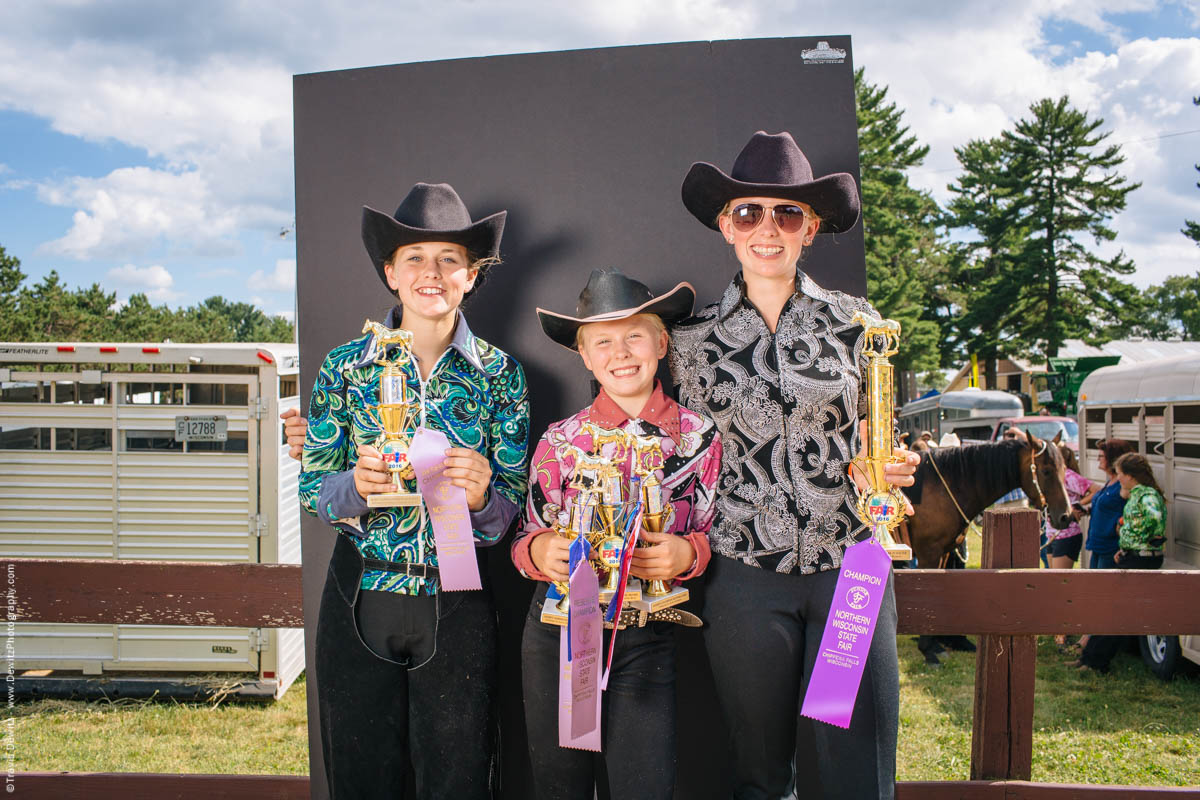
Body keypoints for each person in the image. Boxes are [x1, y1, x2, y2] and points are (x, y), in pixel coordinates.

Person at [669, 131, 918, 799]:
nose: (767, 228)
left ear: (810, 227)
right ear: (726, 225)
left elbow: (885, 435)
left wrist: (891, 465)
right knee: (760, 774)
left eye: (786, 214)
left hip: (848, 571)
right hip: (747, 579)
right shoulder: (688, 344)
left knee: (850, 767)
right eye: (749, 212)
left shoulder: (860, 326)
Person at [298, 182, 529, 799]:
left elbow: (512, 509)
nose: (433, 271)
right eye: (416, 258)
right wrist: (356, 485)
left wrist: (483, 500)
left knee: (460, 781)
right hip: (360, 595)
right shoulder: (345, 367)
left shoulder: (501, 375)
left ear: (472, 275)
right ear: (390, 272)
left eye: (450, 258)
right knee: (361, 780)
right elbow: (314, 489)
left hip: (458, 600)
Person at [513, 269, 722, 800]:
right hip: (560, 633)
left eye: (634, 334)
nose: (620, 351)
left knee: (645, 786)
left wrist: (686, 551)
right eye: (602, 340)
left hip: (647, 632)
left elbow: (716, 529)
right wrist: (540, 550)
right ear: (583, 355)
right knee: (562, 788)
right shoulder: (559, 441)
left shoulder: (699, 438)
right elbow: (526, 535)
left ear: (661, 342)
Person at [1072, 452, 1167, 673]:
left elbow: (1153, 522)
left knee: (1118, 611)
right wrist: (1124, 545)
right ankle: (1089, 658)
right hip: (1132, 555)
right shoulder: (1134, 495)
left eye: (1122, 474)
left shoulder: (1146, 496)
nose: (1119, 478)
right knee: (1112, 608)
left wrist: (1126, 531)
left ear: (1131, 476)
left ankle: (1096, 662)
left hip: (1141, 558)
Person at [1081, 438, 1135, 570]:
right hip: (1098, 544)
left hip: (1111, 546)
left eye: (1101, 456)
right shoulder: (1110, 482)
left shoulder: (1123, 485)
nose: (1098, 459)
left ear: (1113, 459)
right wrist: (1087, 510)